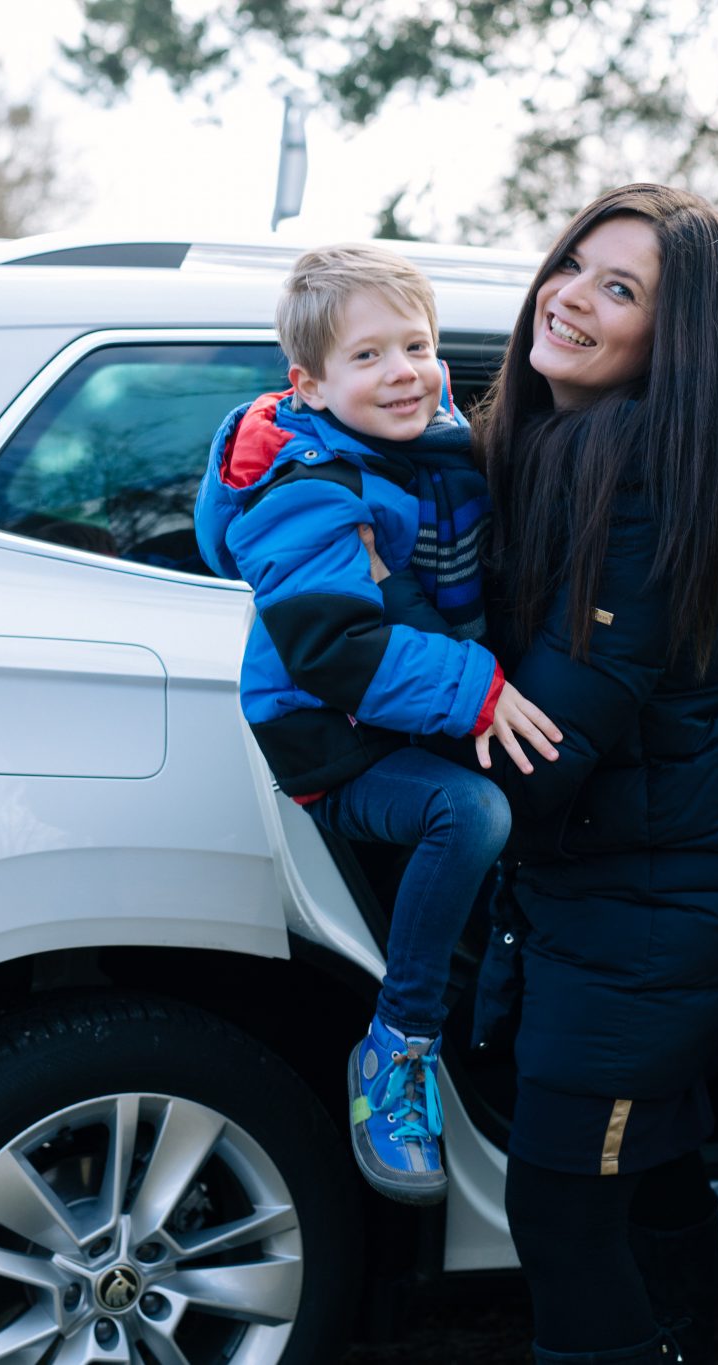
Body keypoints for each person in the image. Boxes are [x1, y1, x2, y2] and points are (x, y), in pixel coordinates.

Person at [472, 185, 718, 1364]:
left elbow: (546, 745)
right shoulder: (549, 442)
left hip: (660, 900)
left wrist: (375, 744)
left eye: (621, 291)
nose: (570, 298)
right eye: (574, 265)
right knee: (641, 1148)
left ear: (676, 338)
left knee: (559, 1200)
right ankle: (680, 1326)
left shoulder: (654, 488)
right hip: (618, 875)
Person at [193, 244, 563, 1207]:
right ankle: (398, 1049)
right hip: (330, 735)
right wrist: (478, 688)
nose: (403, 370)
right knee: (469, 815)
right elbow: (337, 651)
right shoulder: (310, 489)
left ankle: (508, 1017)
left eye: (417, 344)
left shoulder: (429, 444)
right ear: (307, 385)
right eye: (368, 357)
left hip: (402, 709)